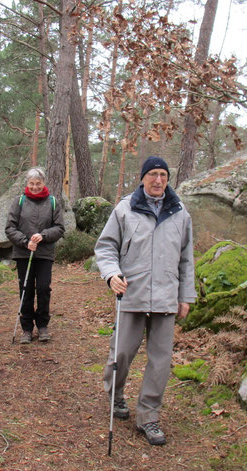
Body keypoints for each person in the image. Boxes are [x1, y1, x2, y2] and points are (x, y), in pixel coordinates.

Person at [94, 156, 197, 446]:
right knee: (122, 353)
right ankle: (115, 396)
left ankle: (149, 416)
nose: (158, 180)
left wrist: (185, 296)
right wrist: (112, 274)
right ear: (142, 178)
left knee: (161, 361)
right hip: (132, 292)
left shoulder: (180, 213)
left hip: (166, 295)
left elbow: (186, 259)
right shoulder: (125, 208)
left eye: (163, 174)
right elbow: (105, 247)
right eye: (152, 174)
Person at [5, 167, 65, 344]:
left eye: (38, 183)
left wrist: (44, 235)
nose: (35, 187)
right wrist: (25, 242)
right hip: (24, 253)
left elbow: (60, 227)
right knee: (26, 289)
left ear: (43, 183)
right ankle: (27, 328)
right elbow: (10, 227)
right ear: (27, 183)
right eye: (31, 183)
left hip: (45, 253)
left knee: (44, 288)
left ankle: (43, 325)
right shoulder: (19, 201)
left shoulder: (53, 202)